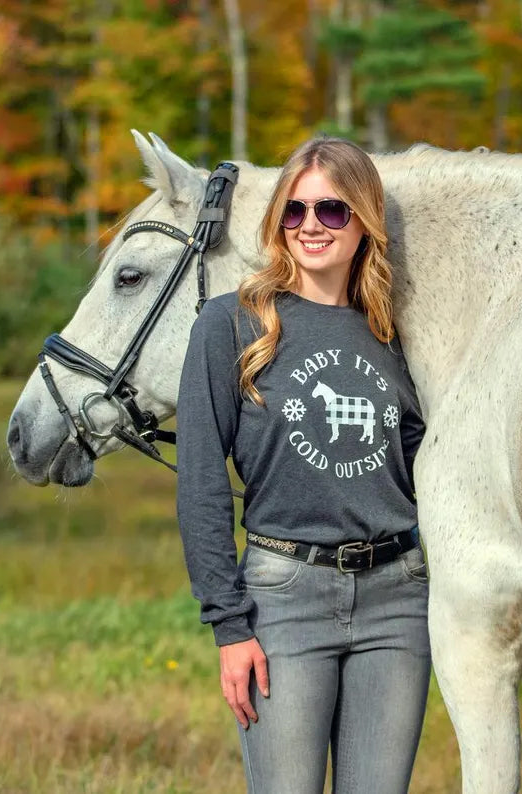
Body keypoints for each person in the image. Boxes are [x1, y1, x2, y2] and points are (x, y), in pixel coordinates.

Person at [176, 137, 430, 794]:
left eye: (332, 211)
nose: (311, 226)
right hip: (284, 597)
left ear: (365, 219)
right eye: (294, 211)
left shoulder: (397, 333)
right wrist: (229, 627)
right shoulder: (230, 325)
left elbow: (423, 468)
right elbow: (200, 485)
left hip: (398, 600)